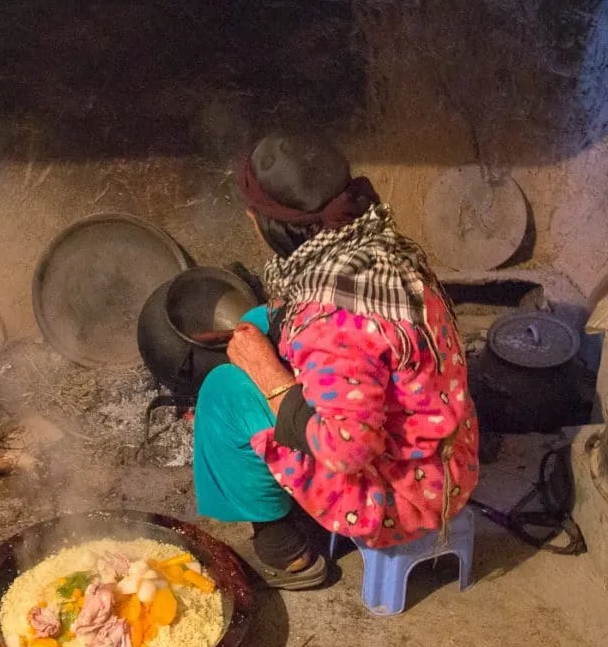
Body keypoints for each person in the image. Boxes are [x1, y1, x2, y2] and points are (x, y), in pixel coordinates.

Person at [192, 133, 480, 589]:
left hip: (397, 499)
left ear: (264, 222)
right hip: (446, 462)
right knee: (257, 320)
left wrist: (266, 372)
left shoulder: (328, 320)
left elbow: (347, 449)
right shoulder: (378, 251)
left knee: (224, 394)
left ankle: (285, 549)